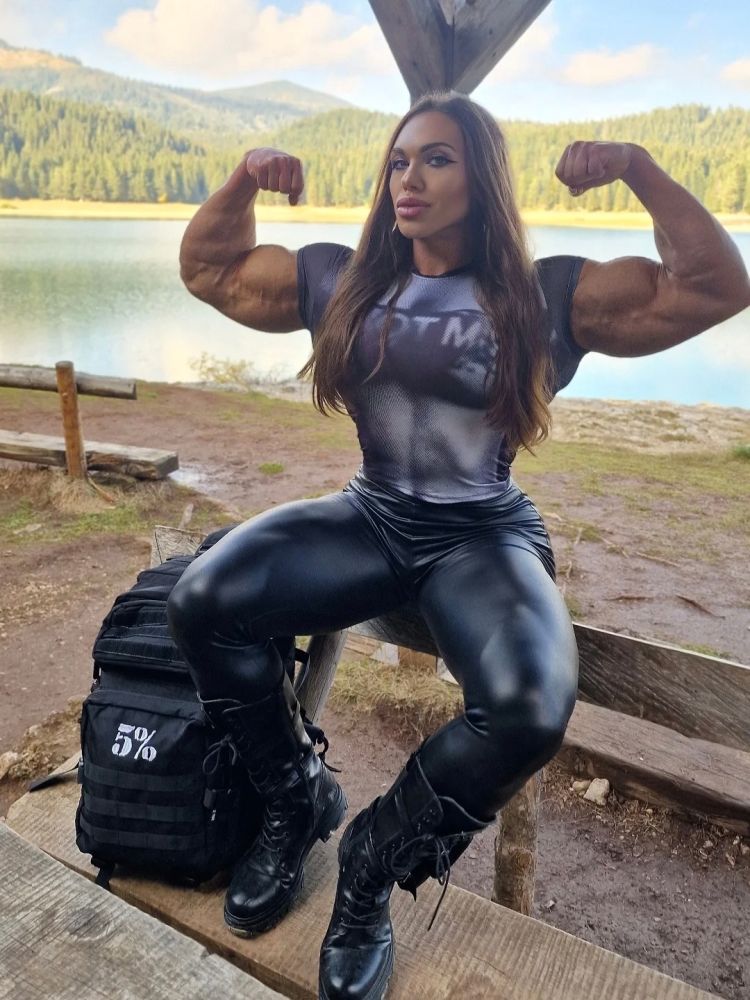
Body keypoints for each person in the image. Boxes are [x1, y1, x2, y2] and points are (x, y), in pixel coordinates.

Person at [168, 91, 749, 1000]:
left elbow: (714, 286)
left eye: (437, 159)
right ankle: (294, 799)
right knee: (203, 599)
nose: (410, 178)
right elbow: (209, 269)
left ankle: (371, 866)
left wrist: (637, 168)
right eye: (400, 160)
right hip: (371, 513)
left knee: (528, 706)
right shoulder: (339, 280)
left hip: (479, 530)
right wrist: (245, 177)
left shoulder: (547, 296)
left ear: (483, 180)